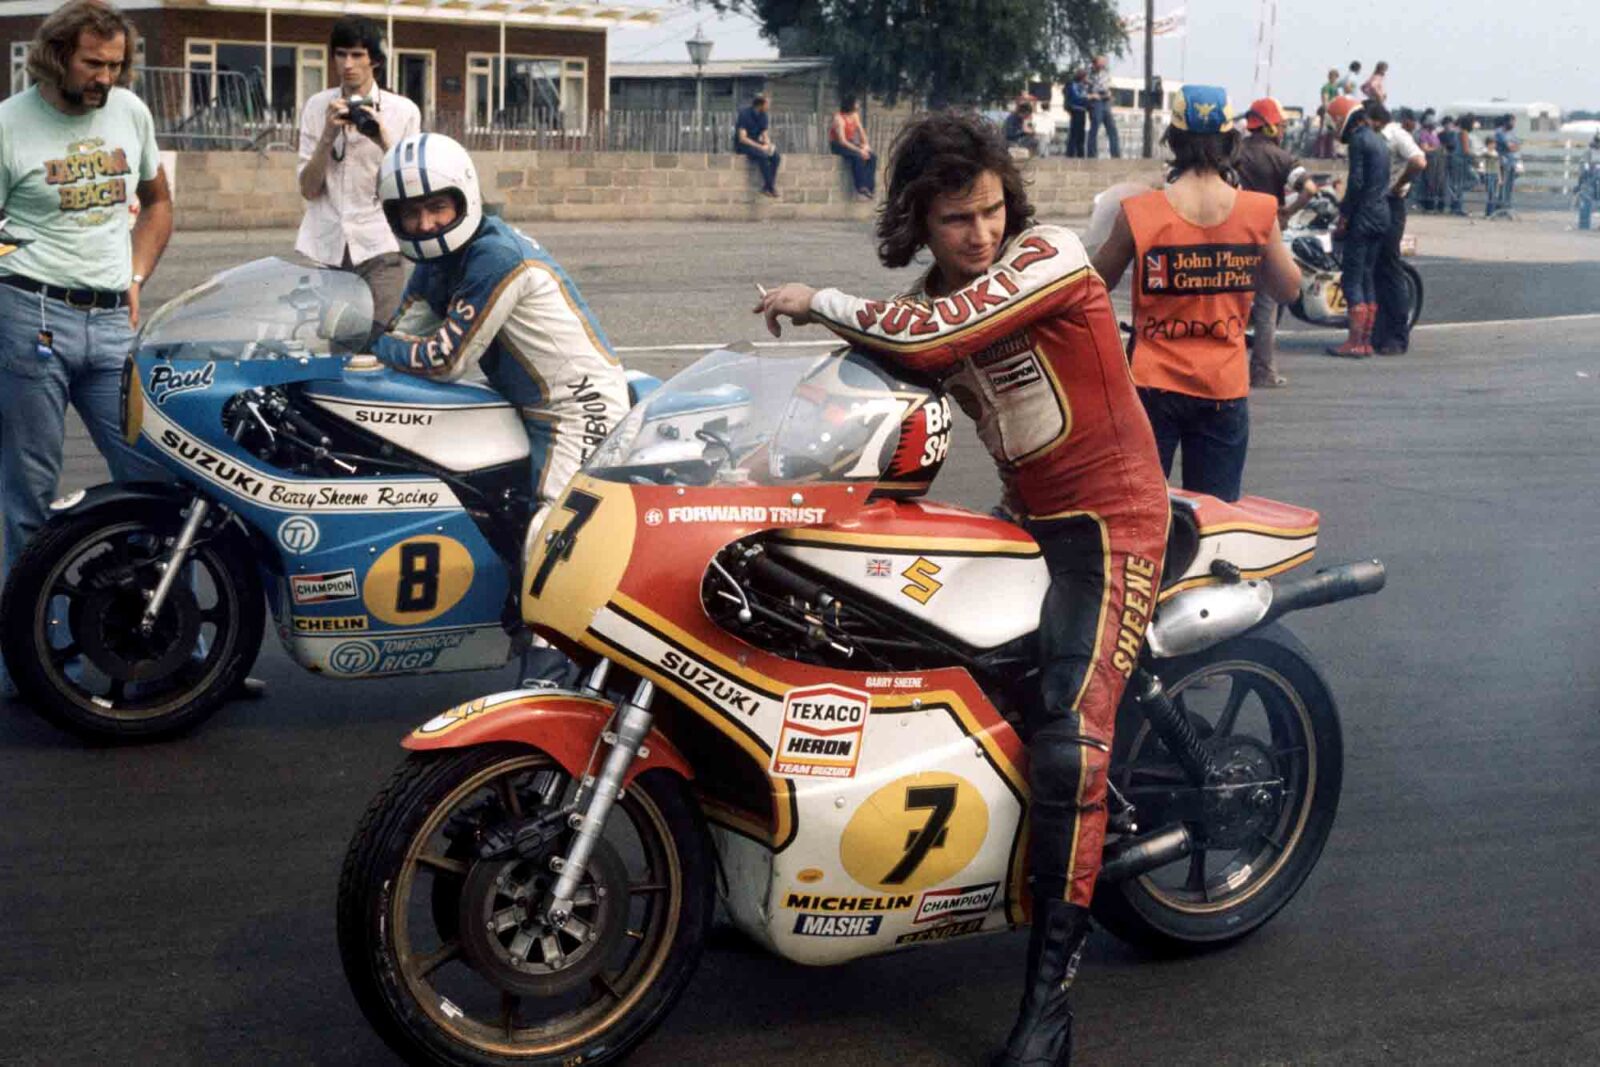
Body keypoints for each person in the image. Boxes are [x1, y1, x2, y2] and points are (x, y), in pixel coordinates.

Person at [756, 109, 1168, 1067]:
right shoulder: (932, 298)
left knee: (1069, 745)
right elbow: (875, 383)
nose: (979, 235)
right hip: (1025, 520)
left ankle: (1050, 1008)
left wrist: (817, 294)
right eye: (955, 221)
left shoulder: (1046, 258)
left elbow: (935, 336)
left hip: (1111, 526)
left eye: (988, 212)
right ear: (919, 220)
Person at [0, 0, 174, 701]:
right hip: (28, 316)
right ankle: (31, 655)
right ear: (55, 55)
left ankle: (179, 644)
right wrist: (20, 265)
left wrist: (131, 273)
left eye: (114, 64)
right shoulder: (10, 124)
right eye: (91, 63)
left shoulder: (130, 112)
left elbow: (157, 203)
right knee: (28, 495)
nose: (104, 77)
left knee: (156, 483)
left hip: (111, 326)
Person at [372, 133, 628, 553]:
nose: (425, 225)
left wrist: (376, 348)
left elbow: (442, 359)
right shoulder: (435, 262)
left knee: (552, 540)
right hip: (517, 404)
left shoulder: (495, 256)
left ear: (464, 198)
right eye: (411, 213)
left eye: (437, 207)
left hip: (576, 406)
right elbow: (403, 332)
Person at [1092, 86, 1300, 500]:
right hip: (1223, 384)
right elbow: (1288, 287)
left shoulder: (1141, 212)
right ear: (1230, 140)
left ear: (1173, 138)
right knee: (1216, 517)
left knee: (1142, 510)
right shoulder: (1258, 212)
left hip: (1152, 383)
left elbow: (1097, 282)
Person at [295, 16, 421, 332]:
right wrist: (326, 135)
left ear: (374, 60)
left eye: (357, 55)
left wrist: (382, 138)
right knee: (336, 340)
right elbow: (309, 190)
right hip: (329, 247)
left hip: (380, 242)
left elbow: (410, 185)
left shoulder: (403, 111)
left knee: (382, 339)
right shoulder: (316, 107)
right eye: (341, 54)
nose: (347, 64)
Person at [1237, 97, 1317, 387]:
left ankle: (1229, 371)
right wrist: (1286, 212)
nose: (1283, 130)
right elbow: (1309, 189)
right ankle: (1263, 372)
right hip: (1266, 237)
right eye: (1281, 125)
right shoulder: (1282, 158)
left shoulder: (1233, 152)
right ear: (1269, 127)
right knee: (1265, 308)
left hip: (1233, 237)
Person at [1323, 96, 1390, 358]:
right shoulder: (1378, 139)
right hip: (1381, 214)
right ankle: (1365, 342)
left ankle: (1353, 341)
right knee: (1367, 276)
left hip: (1363, 215)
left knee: (1352, 277)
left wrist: (1344, 213)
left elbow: (1357, 182)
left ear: (1342, 119)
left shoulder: (1359, 141)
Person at [1370, 101, 1425, 355]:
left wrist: (1398, 184)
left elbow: (1418, 161)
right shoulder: (1375, 137)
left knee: (1390, 269)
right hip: (1378, 203)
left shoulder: (1396, 135)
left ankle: (1397, 336)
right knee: (1377, 270)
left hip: (1392, 203)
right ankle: (1379, 333)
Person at [828, 95, 876, 200]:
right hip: (838, 144)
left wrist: (866, 145)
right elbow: (842, 141)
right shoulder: (839, 118)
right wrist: (859, 150)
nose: (858, 105)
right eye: (856, 103)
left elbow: (861, 131)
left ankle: (870, 187)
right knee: (858, 157)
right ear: (850, 104)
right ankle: (861, 187)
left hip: (850, 142)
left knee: (872, 156)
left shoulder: (855, 115)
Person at [735, 92, 781, 199]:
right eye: (767, 104)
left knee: (776, 157)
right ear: (760, 104)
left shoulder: (763, 116)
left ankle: (767, 187)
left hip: (755, 142)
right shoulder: (744, 114)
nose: (768, 106)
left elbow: (764, 134)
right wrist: (760, 147)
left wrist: (768, 145)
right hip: (743, 145)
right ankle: (771, 187)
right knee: (762, 156)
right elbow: (742, 138)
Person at [1086, 55, 1120, 159]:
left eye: (1104, 62)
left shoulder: (1106, 73)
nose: (1104, 64)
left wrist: (1109, 93)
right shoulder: (1089, 74)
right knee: (1094, 128)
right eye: (1101, 62)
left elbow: (1108, 85)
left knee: (1112, 129)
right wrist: (1093, 95)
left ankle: (1115, 154)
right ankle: (1092, 154)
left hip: (1106, 102)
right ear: (1095, 63)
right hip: (1096, 103)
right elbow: (1088, 89)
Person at [1492, 114, 1521, 218]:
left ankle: (1507, 206)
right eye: (1512, 121)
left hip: (1512, 162)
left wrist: (1513, 146)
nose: (1513, 124)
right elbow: (1509, 147)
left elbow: (1517, 146)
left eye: (1514, 121)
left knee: (1510, 186)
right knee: (1502, 186)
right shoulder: (1499, 132)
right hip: (1503, 162)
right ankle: (1500, 207)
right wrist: (1512, 146)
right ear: (1506, 122)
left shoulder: (1513, 133)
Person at [1317, 69, 1343, 157]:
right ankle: (1321, 153)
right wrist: (1327, 110)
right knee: (1324, 134)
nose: (1335, 79)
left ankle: (1330, 153)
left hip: (1333, 113)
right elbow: (1325, 100)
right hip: (1328, 112)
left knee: (1331, 134)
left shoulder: (1335, 88)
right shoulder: (1327, 87)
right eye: (1333, 77)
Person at [1066, 69, 1090, 157]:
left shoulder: (1083, 86)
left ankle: (1080, 154)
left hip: (1082, 111)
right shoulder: (1074, 85)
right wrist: (1087, 98)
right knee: (1074, 133)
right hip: (1076, 110)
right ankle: (1070, 154)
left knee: (1081, 134)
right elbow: (1076, 97)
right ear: (1082, 77)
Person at [1579, 134, 1600, 231]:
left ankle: (1584, 224)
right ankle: (1584, 224)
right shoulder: (1588, 152)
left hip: (1594, 177)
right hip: (1590, 177)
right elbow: (1584, 166)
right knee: (1586, 198)